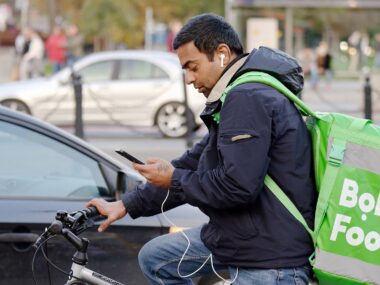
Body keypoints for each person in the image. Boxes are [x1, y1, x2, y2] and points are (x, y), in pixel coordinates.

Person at [87, 13, 316, 285]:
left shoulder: (247, 98)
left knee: (156, 259)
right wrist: (126, 204)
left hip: (269, 258)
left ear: (221, 54)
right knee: (156, 259)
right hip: (243, 238)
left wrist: (174, 179)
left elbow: (237, 186)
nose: (188, 79)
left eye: (192, 67)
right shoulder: (237, 94)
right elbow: (195, 161)